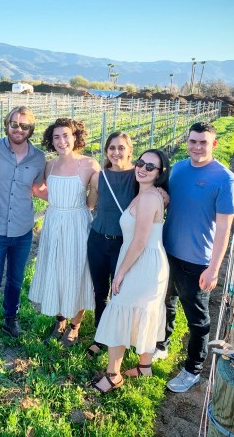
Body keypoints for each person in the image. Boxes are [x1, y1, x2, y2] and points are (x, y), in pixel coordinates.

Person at [155, 121, 234, 393]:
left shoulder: (225, 179)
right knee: (166, 303)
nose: (197, 146)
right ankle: (162, 345)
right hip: (168, 251)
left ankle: (193, 368)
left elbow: (225, 228)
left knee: (197, 319)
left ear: (213, 144)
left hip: (197, 261)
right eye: (193, 141)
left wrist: (214, 269)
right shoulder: (178, 168)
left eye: (203, 142)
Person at [93, 149, 170, 393]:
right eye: (140, 163)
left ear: (159, 174)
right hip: (147, 260)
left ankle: (113, 374)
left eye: (150, 167)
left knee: (121, 310)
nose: (142, 168)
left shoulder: (148, 198)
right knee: (145, 312)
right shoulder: (146, 193)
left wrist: (120, 272)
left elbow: (139, 240)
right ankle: (144, 366)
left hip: (143, 262)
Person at [29, 118, 99, 346]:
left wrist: (76, 208)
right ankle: (60, 319)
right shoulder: (49, 165)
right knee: (56, 270)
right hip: (53, 222)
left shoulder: (89, 164)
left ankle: (74, 325)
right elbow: (40, 189)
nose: (61, 141)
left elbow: (92, 199)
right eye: (56, 137)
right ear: (51, 140)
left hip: (77, 223)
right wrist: (57, 203)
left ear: (75, 136)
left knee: (77, 272)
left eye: (66, 135)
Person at [0, 105, 46, 348]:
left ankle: (11, 318)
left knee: (16, 278)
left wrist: (74, 200)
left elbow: (38, 188)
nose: (19, 129)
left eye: (25, 126)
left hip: (22, 229)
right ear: (7, 124)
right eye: (15, 124)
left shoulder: (38, 157)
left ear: (31, 129)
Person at [86, 131, 136, 357]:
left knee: (121, 293)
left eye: (121, 147)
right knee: (100, 291)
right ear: (106, 151)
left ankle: (120, 337)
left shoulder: (138, 176)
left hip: (123, 244)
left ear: (130, 150)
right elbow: (90, 204)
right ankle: (100, 334)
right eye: (112, 148)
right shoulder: (99, 177)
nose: (116, 152)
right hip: (97, 239)